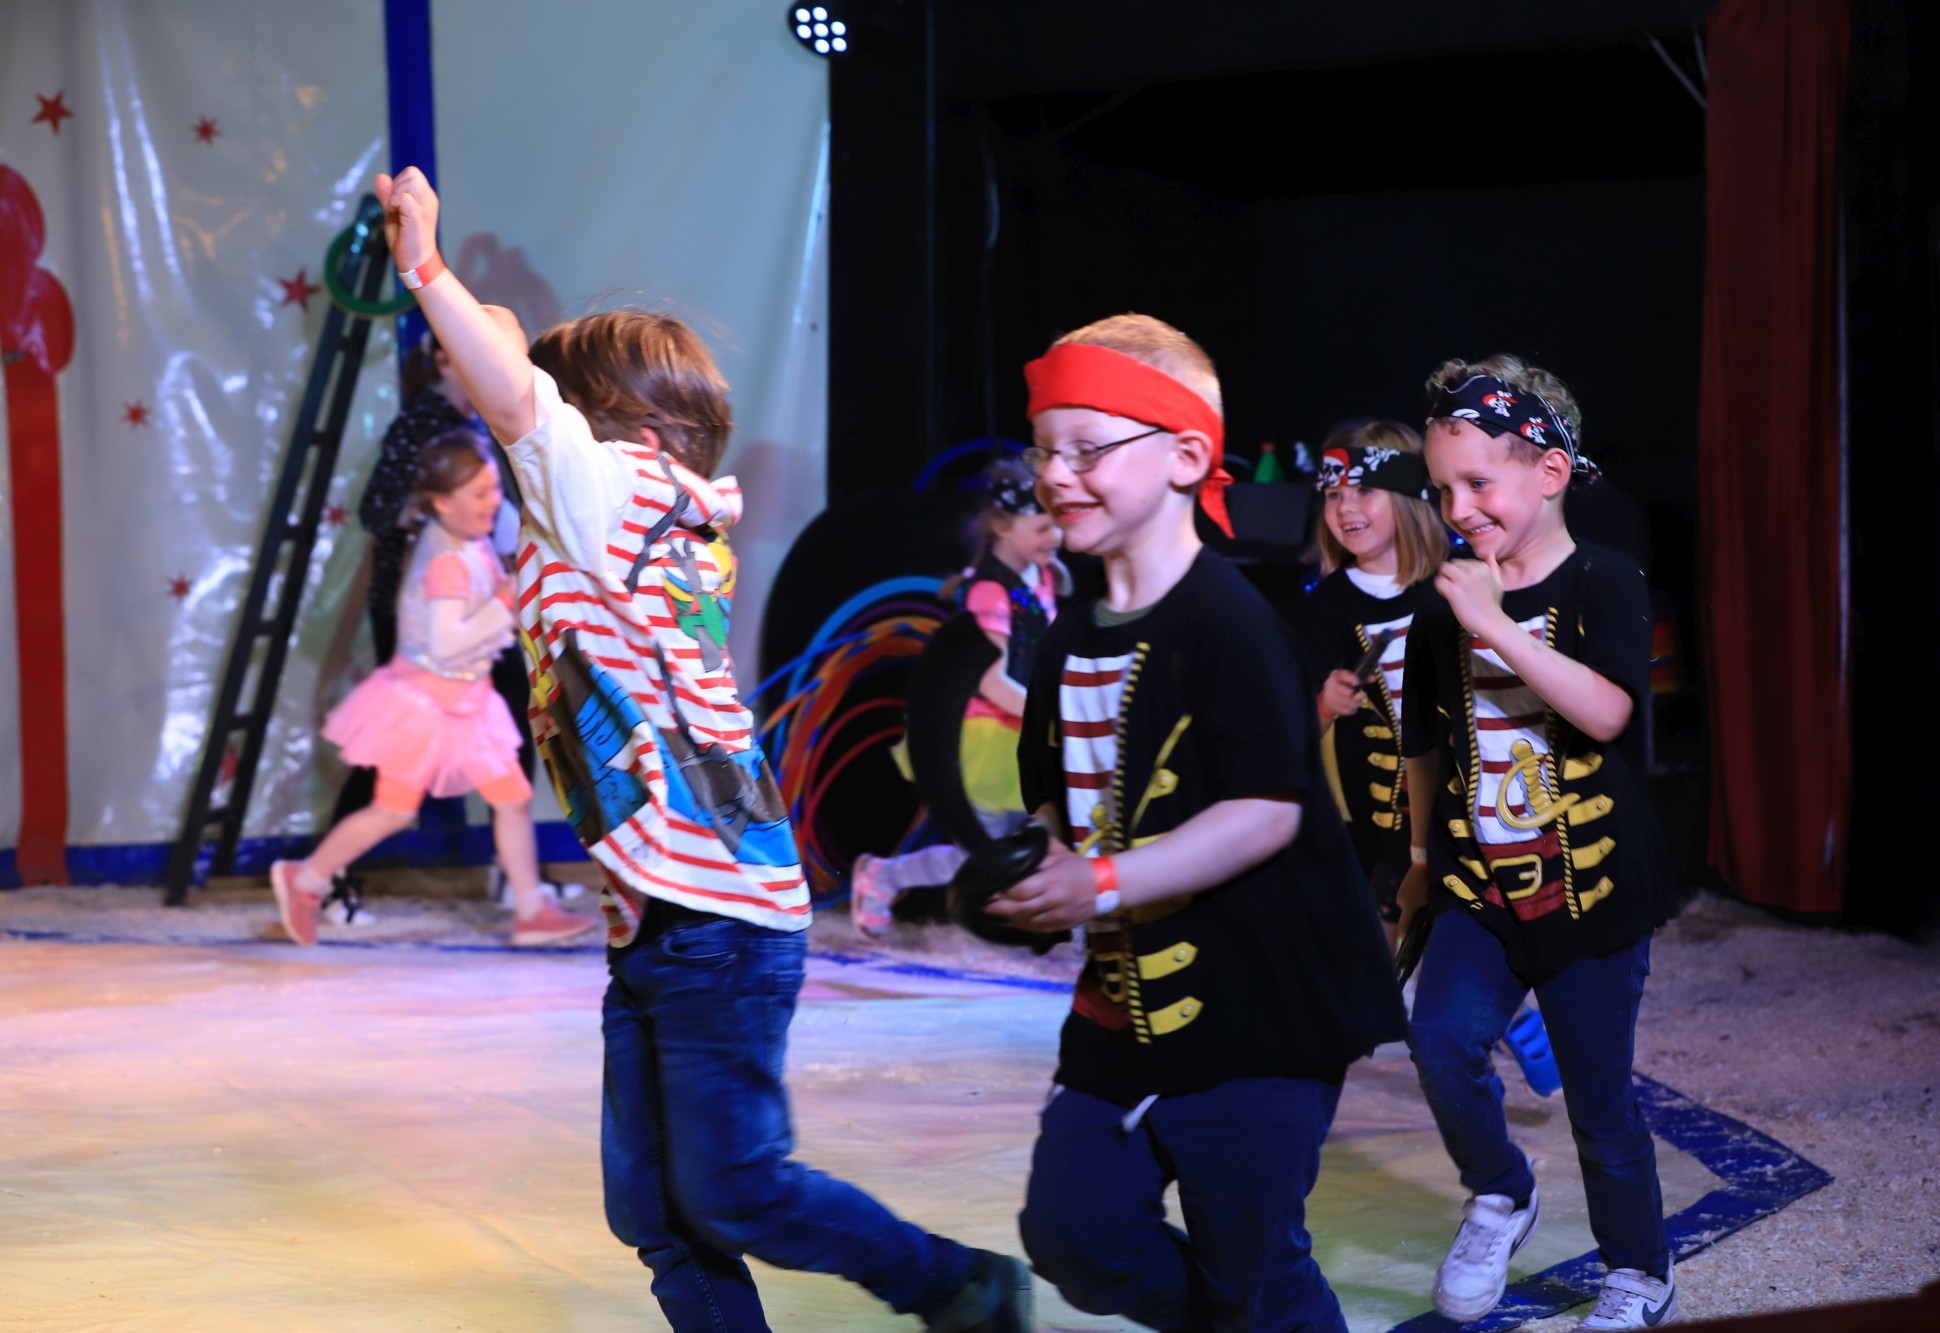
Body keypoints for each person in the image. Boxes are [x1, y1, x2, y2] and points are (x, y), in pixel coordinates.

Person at [367, 164, 1031, 1332]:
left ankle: (957, 1285)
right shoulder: (645, 510)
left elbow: (517, 399)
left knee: (734, 1189)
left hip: (712, 919)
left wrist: (424, 263)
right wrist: (507, 344)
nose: (525, 423)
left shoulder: (614, 490)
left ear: (623, 429)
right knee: (659, 1210)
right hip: (670, 912)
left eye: (554, 405)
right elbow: (516, 383)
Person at [987, 314, 1404, 1333]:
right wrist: (1033, 872)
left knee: (1252, 1274)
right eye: (1044, 451)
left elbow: (1265, 811)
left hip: (1259, 1012)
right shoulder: (1068, 634)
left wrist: (1099, 881)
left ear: (1183, 456)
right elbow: (1054, 799)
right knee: (1074, 1235)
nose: (1056, 475)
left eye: (1088, 448)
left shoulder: (1230, 623)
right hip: (1119, 1012)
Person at [1398, 355, 1681, 1329]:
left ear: (1550, 472)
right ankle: (1499, 1191)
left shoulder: (1605, 578)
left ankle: (1637, 1268)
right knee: (1439, 1040)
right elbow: (1423, 744)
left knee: (1600, 1109)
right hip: (1477, 890)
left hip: (1589, 894)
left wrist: (1496, 625)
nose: (1457, 508)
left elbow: (1607, 712)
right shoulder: (1441, 602)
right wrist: (1418, 868)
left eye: (1478, 482)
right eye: (1443, 489)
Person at [270, 432, 598, 949]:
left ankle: (531, 908)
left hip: (468, 701)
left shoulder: (469, 539)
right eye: (479, 494)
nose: (493, 502)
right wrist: (505, 602)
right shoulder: (446, 560)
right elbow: (447, 644)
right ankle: (306, 878)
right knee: (394, 811)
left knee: (512, 799)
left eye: (495, 489)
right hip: (426, 707)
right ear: (443, 503)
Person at [850, 462, 1066, 935]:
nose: (1057, 536)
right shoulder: (989, 591)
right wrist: (1052, 716)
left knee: (1038, 840)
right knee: (981, 851)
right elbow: (990, 681)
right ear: (1003, 527)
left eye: (1058, 524)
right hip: (988, 734)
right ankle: (882, 877)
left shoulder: (1043, 576)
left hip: (1024, 730)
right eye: (1042, 526)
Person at [1296, 419, 1447, 952]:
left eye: (1363, 491)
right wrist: (1325, 702)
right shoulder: (1326, 606)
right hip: (1377, 818)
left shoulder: (1454, 584)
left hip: (1459, 805)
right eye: (1334, 494)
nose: (1345, 508)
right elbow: (1292, 731)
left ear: (1408, 496)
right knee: (1379, 937)